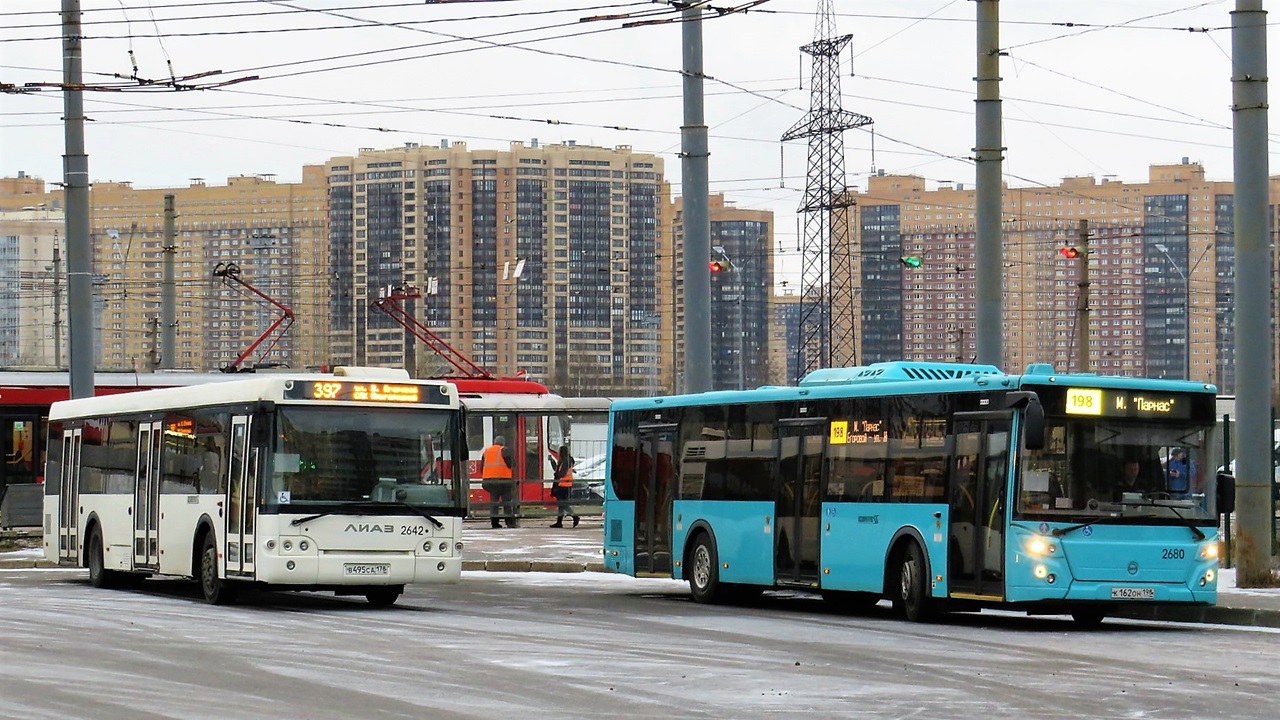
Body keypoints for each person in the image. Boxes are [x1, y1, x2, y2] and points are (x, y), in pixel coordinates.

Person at [482, 435, 517, 528]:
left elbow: (482, 466)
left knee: (494, 502)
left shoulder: (486, 451)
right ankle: (509, 522)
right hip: (503, 480)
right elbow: (512, 464)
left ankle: (494, 522)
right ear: (503, 443)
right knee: (507, 502)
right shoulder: (504, 450)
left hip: (488, 481)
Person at [550, 444, 580, 528]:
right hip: (565, 485)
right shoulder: (567, 461)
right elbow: (558, 470)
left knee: (563, 504)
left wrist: (556, 474)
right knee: (561, 505)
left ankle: (575, 516)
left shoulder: (566, 461)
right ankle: (559, 522)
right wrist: (552, 462)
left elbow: (561, 473)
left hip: (563, 485)